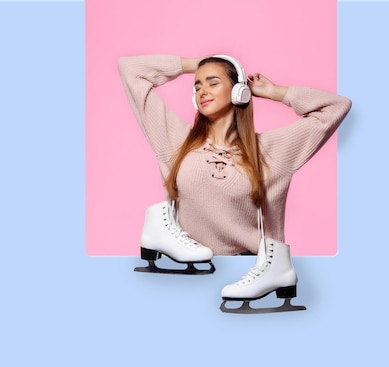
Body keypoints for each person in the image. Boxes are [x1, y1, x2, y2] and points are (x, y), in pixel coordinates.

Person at [118, 54, 351, 312]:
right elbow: (130, 69)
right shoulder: (175, 140)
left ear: (238, 91)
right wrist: (199, 64)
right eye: (197, 86)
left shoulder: (271, 150)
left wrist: (275, 92)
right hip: (187, 273)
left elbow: (337, 107)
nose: (201, 91)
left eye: (212, 82)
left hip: (250, 275)